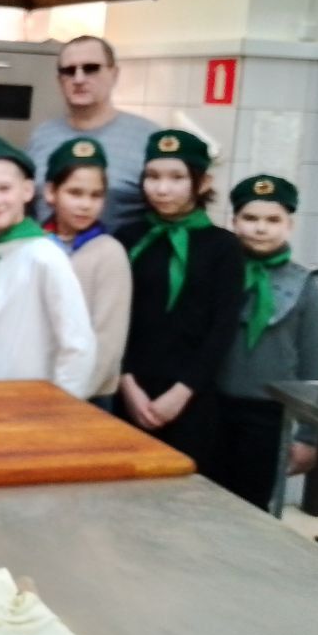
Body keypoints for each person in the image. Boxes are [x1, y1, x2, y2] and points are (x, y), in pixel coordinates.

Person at [114, 129, 244, 470]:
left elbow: (223, 328)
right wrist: (127, 385)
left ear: (202, 183)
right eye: (153, 176)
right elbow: (113, 320)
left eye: (176, 177)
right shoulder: (127, 238)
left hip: (193, 398)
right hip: (128, 392)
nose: (162, 188)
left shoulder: (223, 247)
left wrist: (181, 393)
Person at [0, 135, 95, 399]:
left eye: (4, 188)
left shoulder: (45, 257)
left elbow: (78, 344)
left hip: (21, 401)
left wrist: (63, 409)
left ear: (27, 191)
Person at [214, 174, 318, 510]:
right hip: (211, 409)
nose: (260, 228)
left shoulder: (305, 286)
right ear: (234, 221)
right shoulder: (216, 274)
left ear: (289, 225)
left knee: (256, 509)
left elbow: (315, 366)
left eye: (273, 220)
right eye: (250, 218)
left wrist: (308, 435)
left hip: (270, 416)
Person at [27, 35, 158, 229]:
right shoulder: (42, 136)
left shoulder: (147, 137)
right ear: (59, 80)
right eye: (69, 71)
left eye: (91, 68)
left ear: (114, 74)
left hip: (120, 248)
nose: (78, 79)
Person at [42, 137, 133, 408]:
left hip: (88, 396)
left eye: (96, 195)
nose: (85, 204)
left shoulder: (109, 252)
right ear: (51, 192)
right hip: (35, 388)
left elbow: (107, 341)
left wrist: (68, 396)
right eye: (75, 193)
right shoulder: (35, 245)